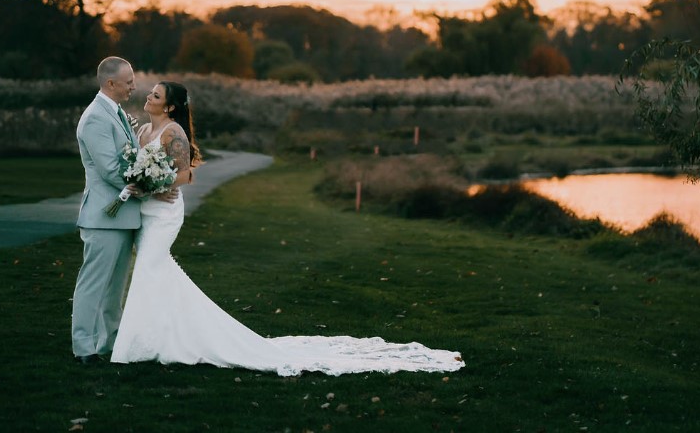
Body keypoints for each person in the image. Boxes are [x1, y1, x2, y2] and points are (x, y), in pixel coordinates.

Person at [110, 81, 465, 376]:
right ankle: (162, 336)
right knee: (153, 272)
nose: (148, 97)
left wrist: (156, 182)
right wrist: (140, 180)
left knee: (149, 269)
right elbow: (139, 164)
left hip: (166, 213)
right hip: (147, 212)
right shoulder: (143, 129)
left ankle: (140, 344)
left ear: (170, 107)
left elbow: (186, 174)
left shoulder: (174, 133)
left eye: (155, 96)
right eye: (150, 94)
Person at [71, 57, 177, 365]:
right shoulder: (95, 118)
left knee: (115, 288)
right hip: (105, 216)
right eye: (128, 81)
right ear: (110, 83)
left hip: (122, 216)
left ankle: (111, 342)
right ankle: (84, 346)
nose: (134, 85)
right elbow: (109, 170)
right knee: (94, 284)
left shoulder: (114, 112)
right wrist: (153, 185)